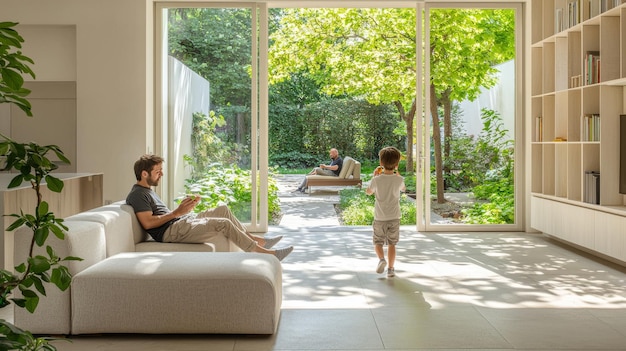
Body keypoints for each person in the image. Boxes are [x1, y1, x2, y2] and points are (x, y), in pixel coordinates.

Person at [126, 154, 293, 261]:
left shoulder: (148, 191)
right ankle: (264, 254)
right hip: (170, 232)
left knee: (223, 209)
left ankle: (258, 240)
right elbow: (148, 223)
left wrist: (184, 209)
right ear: (144, 174)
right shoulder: (138, 194)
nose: (161, 174)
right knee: (223, 223)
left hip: (179, 223)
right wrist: (177, 212)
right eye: (158, 171)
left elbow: (161, 216)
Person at [365, 146, 406, 277]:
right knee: (392, 244)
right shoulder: (399, 179)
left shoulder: (376, 180)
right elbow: (403, 189)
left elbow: (368, 192)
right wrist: (397, 173)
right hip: (394, 217)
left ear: (381, 163)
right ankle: (391, 269)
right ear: (397, 164)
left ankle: (382, 259)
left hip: (380, 217)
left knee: (378, 242)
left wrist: (373, 177)